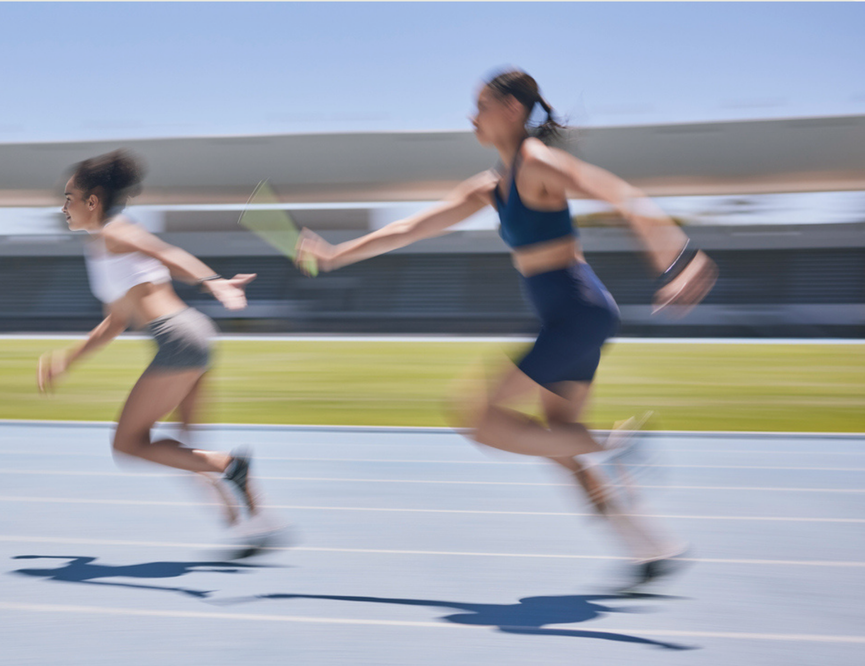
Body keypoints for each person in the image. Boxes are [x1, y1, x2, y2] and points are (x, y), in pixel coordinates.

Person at [296, 69, 717, 588]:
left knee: (477, 417)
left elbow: (620, 195)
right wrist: (336, 255)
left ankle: (617, 443)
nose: (471, 116)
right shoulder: (493, 186)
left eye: (480, 105)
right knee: (560, 445)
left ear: (512, 110)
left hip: (575, 312)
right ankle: (648, 547)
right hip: (572, 314)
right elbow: (412, 226)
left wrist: (679, 258)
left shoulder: (538, 163)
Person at [37, 149, 279, 552]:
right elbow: (115, 322)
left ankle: (230, 468)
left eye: (68, 198)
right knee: (181, 448)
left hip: (177, 339)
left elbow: (165, 252)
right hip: (195, 334)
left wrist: (213, 282)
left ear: (91, 201)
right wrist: (67, 361)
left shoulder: (116, 232)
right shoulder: (101, 249)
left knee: (128, 443)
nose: (63, 208)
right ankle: (257, 521)